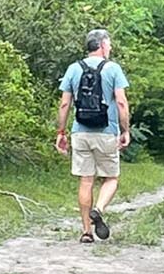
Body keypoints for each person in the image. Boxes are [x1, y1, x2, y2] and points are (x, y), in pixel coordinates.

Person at [56, 28, 131, 242]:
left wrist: (61, 132)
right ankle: (98, 209)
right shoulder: (113, 69)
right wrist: (125, 130)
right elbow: (121, 102)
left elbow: (64, 104)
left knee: (86, 180)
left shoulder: (73, 69)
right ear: (102, 45)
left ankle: (86, 231)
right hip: (107, 132)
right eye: (109, 44)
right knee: (111, 178)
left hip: (80, 132)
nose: (110, 48)